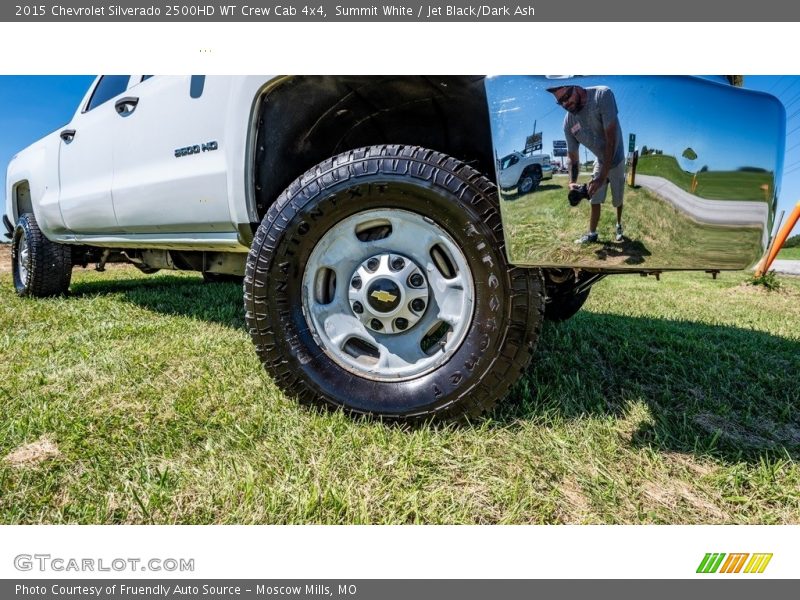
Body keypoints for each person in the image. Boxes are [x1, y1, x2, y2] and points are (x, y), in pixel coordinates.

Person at [547, 84, 625, 243]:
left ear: (576, 86)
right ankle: (592, 234)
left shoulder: (602, 96)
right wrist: (572, 182)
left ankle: (618, 224)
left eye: (566, 96)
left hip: (617, 157)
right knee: (593, 197)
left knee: (618, 199)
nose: (565, 104)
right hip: (600, 159)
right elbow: (573, 157)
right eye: (560, 102)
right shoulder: (568, 123)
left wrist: (602, 177)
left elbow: (612, 140)